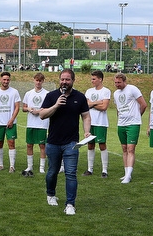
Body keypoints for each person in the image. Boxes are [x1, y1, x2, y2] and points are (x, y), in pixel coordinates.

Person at [38, 69, 91, 216]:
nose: (64, 82)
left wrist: (87, 131)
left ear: (73, 80)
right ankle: (50, 194)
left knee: (71, 174)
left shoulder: (80, 97)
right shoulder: (51, 96)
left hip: (72, 143)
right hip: (53, 142)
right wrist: (55, 105)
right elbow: (42, 115)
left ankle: (70, 204)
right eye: (62, 79)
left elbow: (86, 116)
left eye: (67, 79)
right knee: (52, 172)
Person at [113, 73, 148, 184]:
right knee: (124, 148)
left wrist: (137, 116)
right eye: (115, 82)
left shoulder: (132, 89)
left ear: (124, 81)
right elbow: (118, 108)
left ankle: (129, 175)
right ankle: (126, 173)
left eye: (119, 82)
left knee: (131, 149)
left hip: (133, 124)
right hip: (121, 124)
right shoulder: (115, 93)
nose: (117, 85)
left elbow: (143, 104)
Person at [0, 71, 21, 172]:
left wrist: (12, 119)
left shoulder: (14, 92)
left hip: (10, 123)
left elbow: (17, 107)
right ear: (0, 80)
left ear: (9, 80)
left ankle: (12, 166)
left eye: (7, 80)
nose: (6, 81)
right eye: (4, 79)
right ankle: (1, 165)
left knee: (11, 143)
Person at [83, 69, 111, 178]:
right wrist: (97, 102)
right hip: (89, 122)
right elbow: (86, 105)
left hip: (101, 122)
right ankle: (90, 169)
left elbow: (104, 107)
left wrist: (91, 104)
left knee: (102, 144)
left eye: (94, 79)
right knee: (90, 145)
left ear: (100, 79)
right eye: (91, 79)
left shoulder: (105, 91)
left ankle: (104, 170)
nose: (92, 81)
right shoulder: (89, 91)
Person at [20, 72, 49, 177]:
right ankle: (30, 166)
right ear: (34, 80)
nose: (38, 82)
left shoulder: (47, 94)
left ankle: (41, 167)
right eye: (37, 80)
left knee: (42, 145)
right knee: (29, 144)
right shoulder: (28, 93)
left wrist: (39, 112)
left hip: (42, 123)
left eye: (40, 81)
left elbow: (49, 108)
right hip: (31, 123)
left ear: (43, 81)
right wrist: (28, 109)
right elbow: (23, 108)